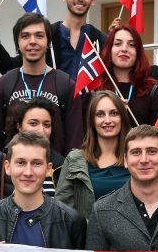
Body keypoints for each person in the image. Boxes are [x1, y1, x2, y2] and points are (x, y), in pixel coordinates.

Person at [86, 124, 158, 251]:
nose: (144, 159)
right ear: (125, 160)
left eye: (151, 151)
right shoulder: (102, 211)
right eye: (136, 152)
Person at [0, 13, 82, 157]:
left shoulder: (66, 85)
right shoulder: (1, 86)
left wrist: (66, 178)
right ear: (17, 44)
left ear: (48, 43)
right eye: (25, 36)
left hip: (55, 175)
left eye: (39, 35)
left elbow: (75, 141)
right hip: (12, 176)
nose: (32, 41)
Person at [0, 130, 86, 249]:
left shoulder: (72, 221)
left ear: (48, 169)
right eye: (20, 162)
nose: (28, 172)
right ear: (7, 167)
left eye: (36, 163)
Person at [0, 0, 108, 78]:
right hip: (51, 107)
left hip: (90, 108)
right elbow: (9, 67)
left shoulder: (102, 40)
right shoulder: (47, 35)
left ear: (93, 0)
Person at [56, 91, 132, 219]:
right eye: (100, 114)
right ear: (92, 120)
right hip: (88, 236)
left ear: (122, 117)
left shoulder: (137, 158)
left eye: (114, 113)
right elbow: (62, 210)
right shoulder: (75, 159)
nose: (107, 120)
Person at [0, 97, 66, 203]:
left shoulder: (62, 164)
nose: (41, 130)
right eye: (33, 123)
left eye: (46, 125)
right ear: (19, 127)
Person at [98, 24, 158, 125]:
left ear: (138, 53)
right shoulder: (96, 88)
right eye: (118, 44)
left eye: (131, 45)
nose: (124, 49)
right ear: (109, 50)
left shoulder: (154, 92)